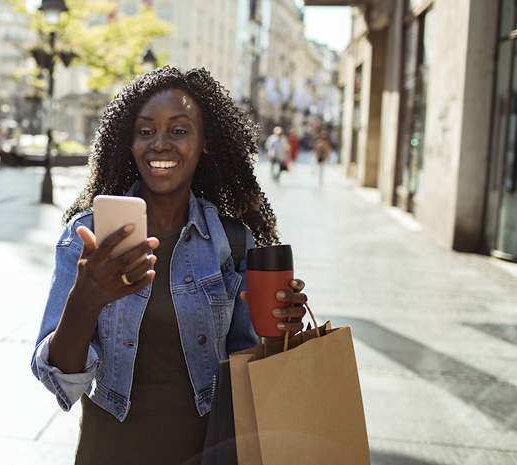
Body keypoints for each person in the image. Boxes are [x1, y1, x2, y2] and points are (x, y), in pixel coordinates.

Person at [31, 67, 309, 465]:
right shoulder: (87, 237)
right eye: (145, 131)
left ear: (205, 143)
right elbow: (61, 382)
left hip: (208, 450)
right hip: (109, 450)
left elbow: (251, 369)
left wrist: (280, 329)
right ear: (128, 143)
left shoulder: (232, 242)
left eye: (179, 131)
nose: (160, 144)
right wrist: (85, 300)